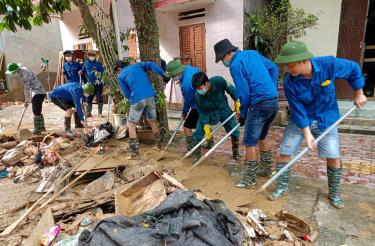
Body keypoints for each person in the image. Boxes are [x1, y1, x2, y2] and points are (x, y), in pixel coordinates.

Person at [269, 40, 367, 208]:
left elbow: (353, 69)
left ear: (304, 61)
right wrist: (307, 134)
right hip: (301, 120)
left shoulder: (328, 65)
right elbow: (297, 108)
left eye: (290, 65)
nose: (287, 69)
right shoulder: (289, 81)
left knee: (333, 156)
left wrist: (359, 93)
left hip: (326, 118)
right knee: (285, 151)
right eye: (285, 66)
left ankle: (334, 194)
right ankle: (281, 187)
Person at [214, 39, 279, 188]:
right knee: (262, 136)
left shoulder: (235, 65)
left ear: (229, 53)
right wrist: (272, 89)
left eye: (223, 58)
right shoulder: (253, 54)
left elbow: (243, 93)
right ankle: (266, 170)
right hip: (272, 103)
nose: (223, 62)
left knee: (250, 142)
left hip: (258, 104)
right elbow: (273, 68)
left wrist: (242, 114)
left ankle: (249, 180)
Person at [115, 60, 169, 159]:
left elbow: (126, 93)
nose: (117, 72)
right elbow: (151, 64)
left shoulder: (120, 75)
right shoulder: (137, 66)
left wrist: (132, 100)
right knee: (152, 122)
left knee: (131, 125)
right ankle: (158, 146)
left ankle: (134, 154)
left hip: (137, 98)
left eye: (117, 70)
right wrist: (162, 73)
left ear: (119, 68)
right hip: (150, 96)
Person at [191, 72, 241, 163]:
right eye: (196, 89)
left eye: (200, 88)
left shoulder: (218, 81)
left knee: (234, 129)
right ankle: (196, 156)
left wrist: (236, 99)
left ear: (207, 83)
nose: (198, 91)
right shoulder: (198, 97)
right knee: (198, 133)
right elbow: (202, 113)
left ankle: (236, 152)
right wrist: (206, 124)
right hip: (208, 112)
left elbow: (229, 88)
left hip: (223, 108)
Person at [166, 60, 202, 152]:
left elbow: (188, 100)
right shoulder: (189, 68)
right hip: (204, 99)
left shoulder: (186, 84)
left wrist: (184, 112)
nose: (173, 78)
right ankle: (210, 143)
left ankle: (192, 149)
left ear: (178, 73)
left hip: (198, 105)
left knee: (186, 127)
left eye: (173, 76)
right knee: (204, 123)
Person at [5, 63, 47, 134]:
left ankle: (38, 130)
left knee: (36, 110)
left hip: (39, 92)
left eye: (13, 73)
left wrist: (27, 101)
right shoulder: (23, 70)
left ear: (17, 70)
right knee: (37, 110)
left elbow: (27, 89)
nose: (13, 75)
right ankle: (42, 128)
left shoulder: (25, 75)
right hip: (36, 92)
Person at [82, 50, 105, 117]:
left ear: (95, 56)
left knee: (99, 98)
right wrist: (85, 81)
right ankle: (88, 113)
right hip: (90, 84)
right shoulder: (86, 63)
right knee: (89, 98)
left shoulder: (99, 63)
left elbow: (102, 73)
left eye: (93, 55)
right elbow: (83, 72)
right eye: (90, 55)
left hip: (99, 84)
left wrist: (97, 72)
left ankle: (100, 113)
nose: (91, 57)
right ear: (88, 56)